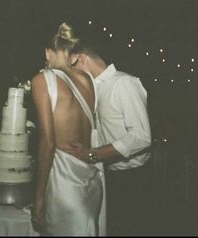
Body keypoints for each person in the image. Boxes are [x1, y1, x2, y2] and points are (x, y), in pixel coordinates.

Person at [64, 25, 153, 235]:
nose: (72, 74)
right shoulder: (95, 89)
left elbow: (142, 137)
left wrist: (94, 154)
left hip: (133, 180)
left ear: (82, 58)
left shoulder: (123, 83)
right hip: (109, 175)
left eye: (72, 67)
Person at [30, 22, 106, 236]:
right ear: (73, 54)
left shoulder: (42, 80)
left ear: (47, 51)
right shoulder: (87, 79)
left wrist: (38, 197)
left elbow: (48, 143)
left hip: (64, 185)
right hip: (91, 181)